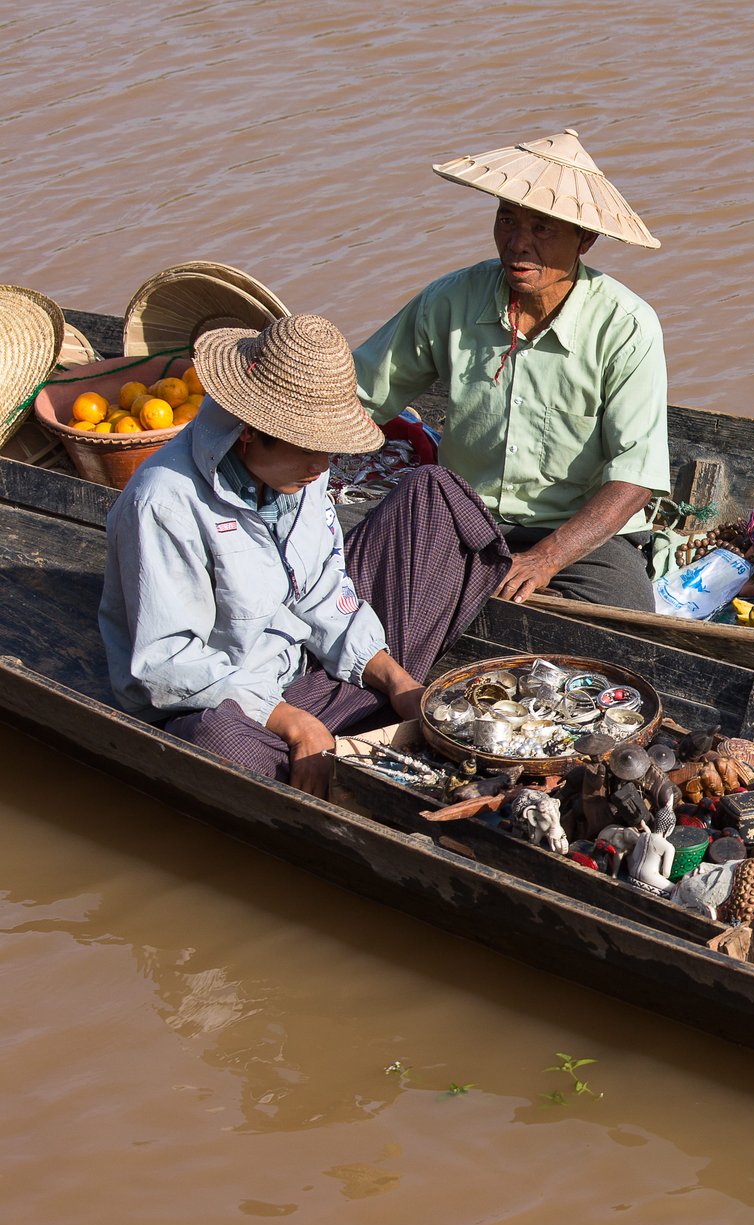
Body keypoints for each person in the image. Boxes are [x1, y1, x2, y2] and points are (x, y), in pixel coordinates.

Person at [99, 314, 511, 795]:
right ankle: (332, 739)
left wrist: (396, 680)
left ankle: (360, 718)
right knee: (223, 744)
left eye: (329, 451)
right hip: (229, 703)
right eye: (310, 450)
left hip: (303, 672)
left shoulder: (301, 475)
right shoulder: (164, 503)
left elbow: (324, 592)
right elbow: (169, 665)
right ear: (251, 432)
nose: (323, 467)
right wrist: (293, 725)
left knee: (435, 493)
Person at [354, 127, 668, 612]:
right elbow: (362, 395)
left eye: (542, 228)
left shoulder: (626, 325)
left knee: (628, 628)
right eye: (507, 221)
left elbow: (635, 477)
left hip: (577, 535)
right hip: (463, 516)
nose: (518, 244)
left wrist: (546, 558)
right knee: (362, 589)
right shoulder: (451, 300)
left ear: (585, 239)